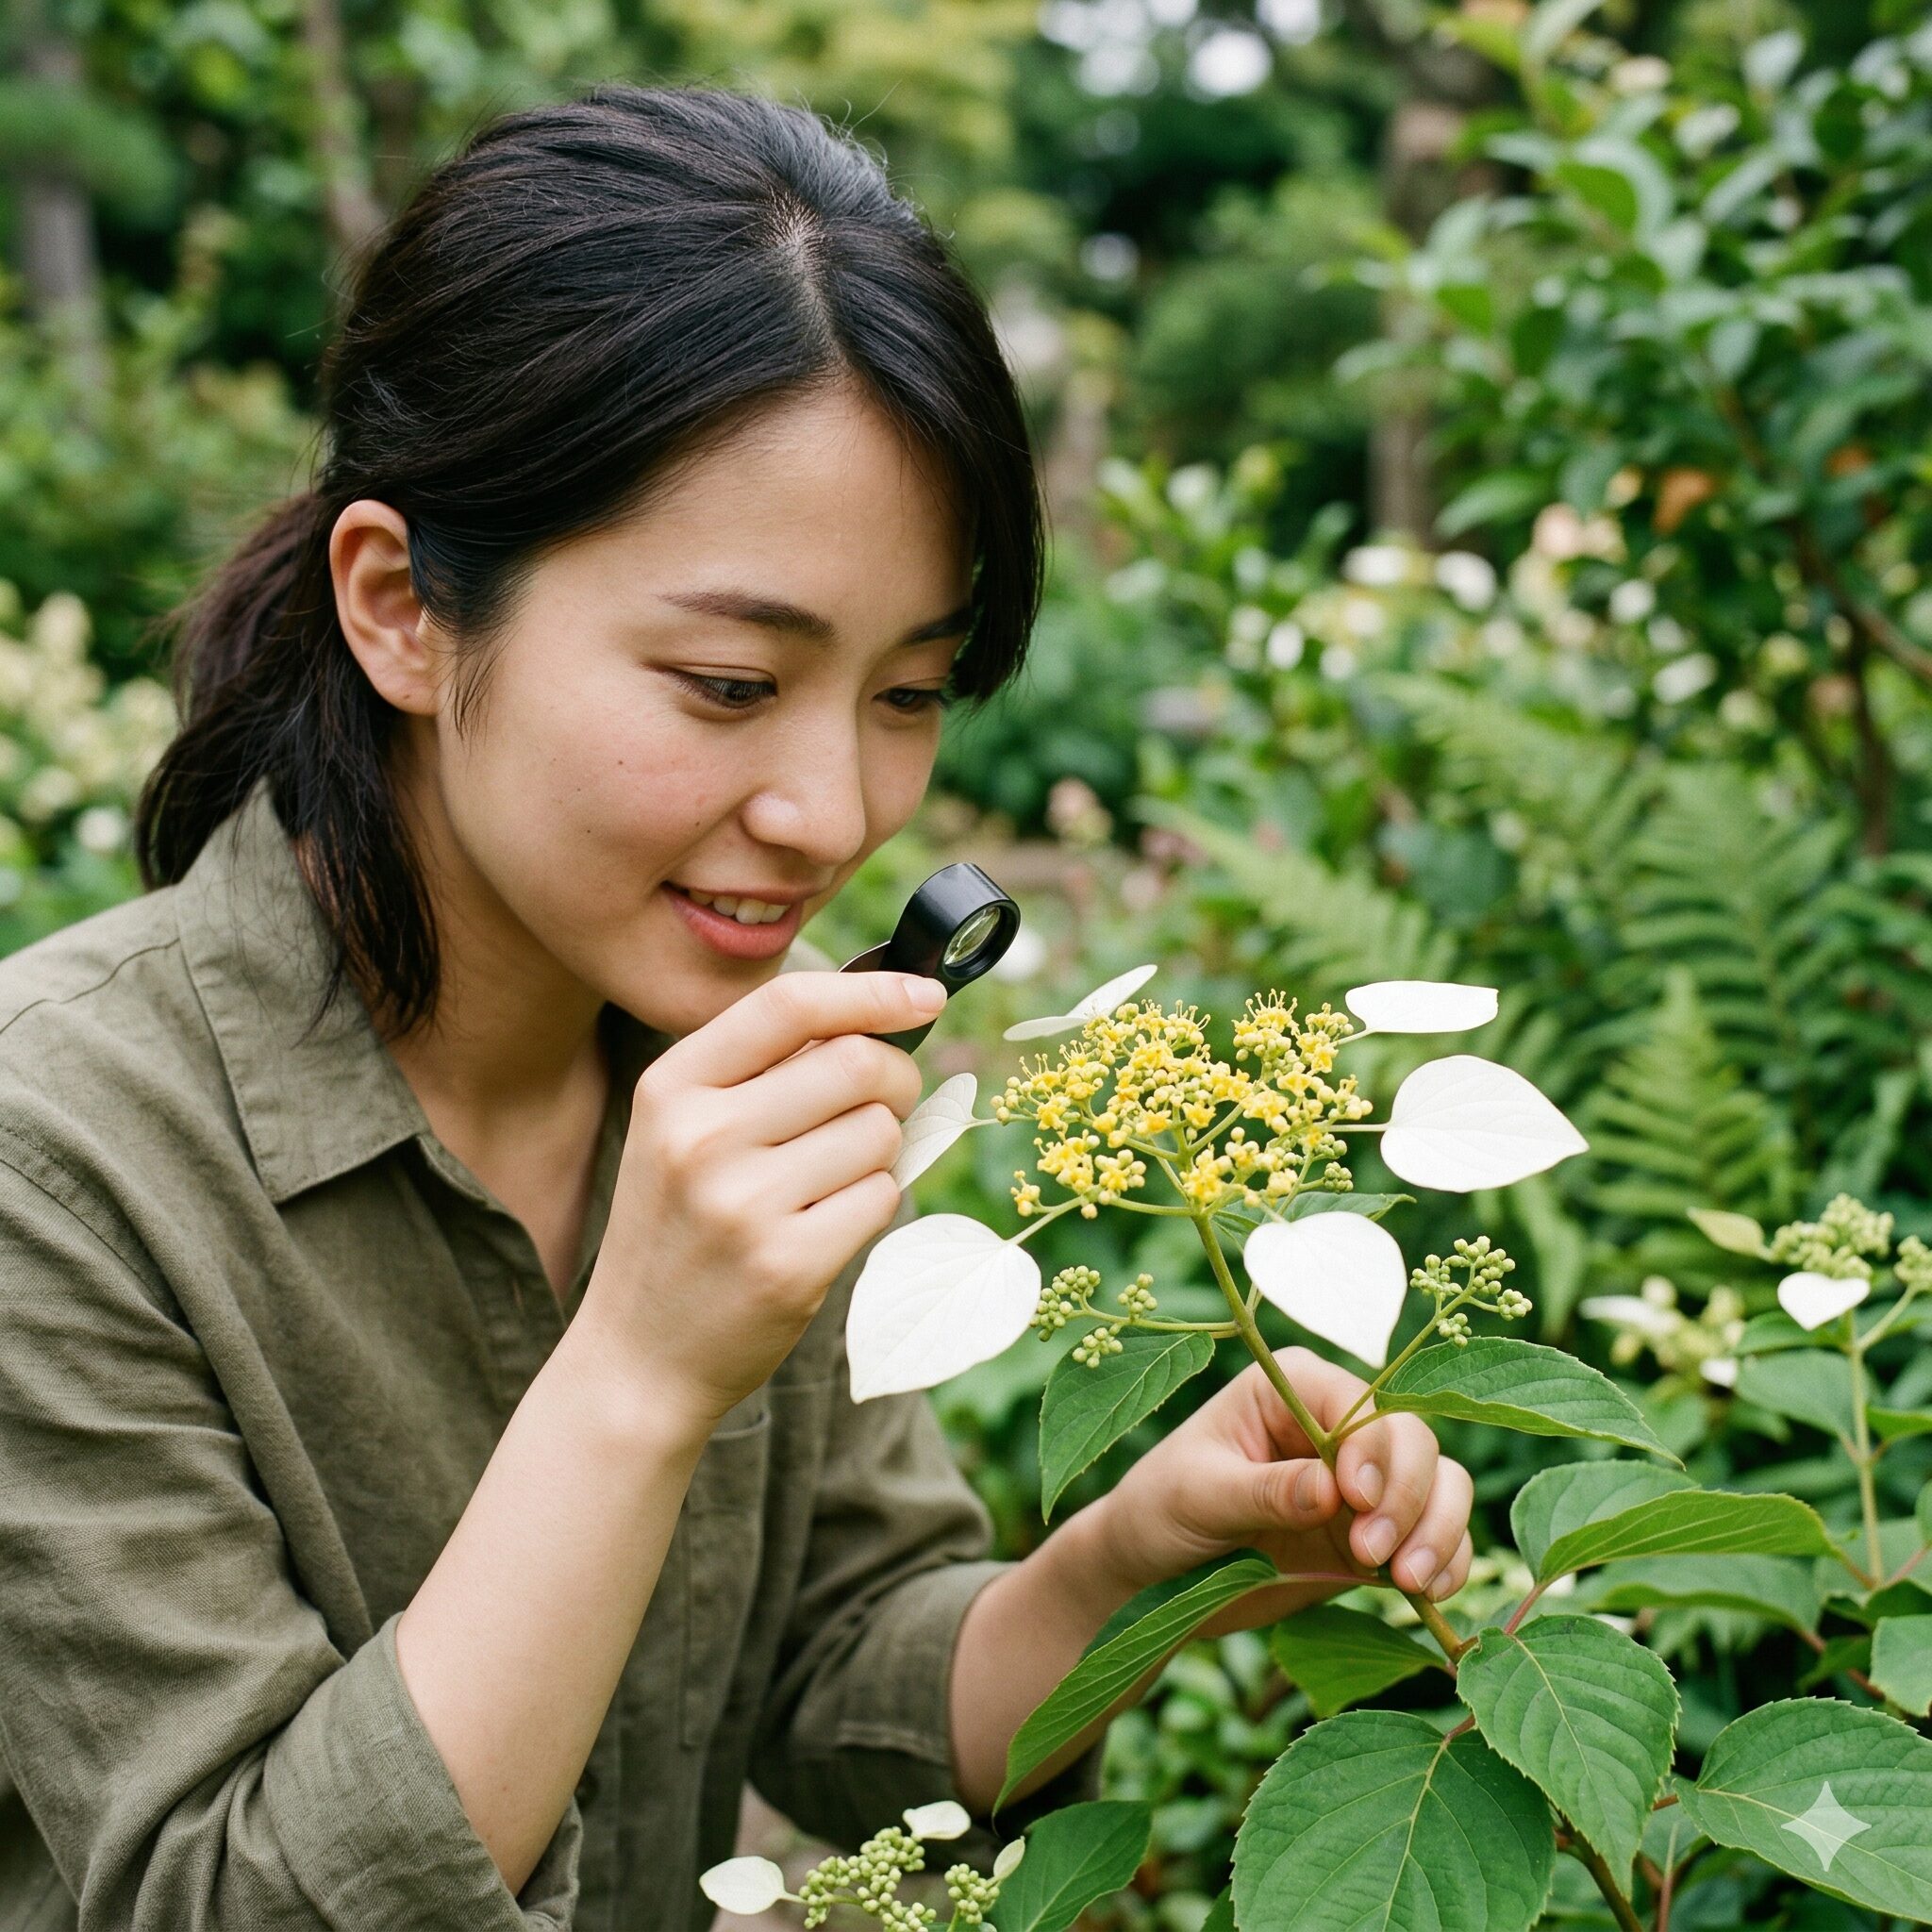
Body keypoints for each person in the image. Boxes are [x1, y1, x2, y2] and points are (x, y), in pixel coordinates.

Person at [0, 82, 1474, 1932]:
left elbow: (850, 1691)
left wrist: (1136, 1563)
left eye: (909, 691)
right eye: (724, 680)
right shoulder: (56, 1157)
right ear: (397, 606)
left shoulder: (746, 1058)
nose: (834, 813)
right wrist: (635, 1373)